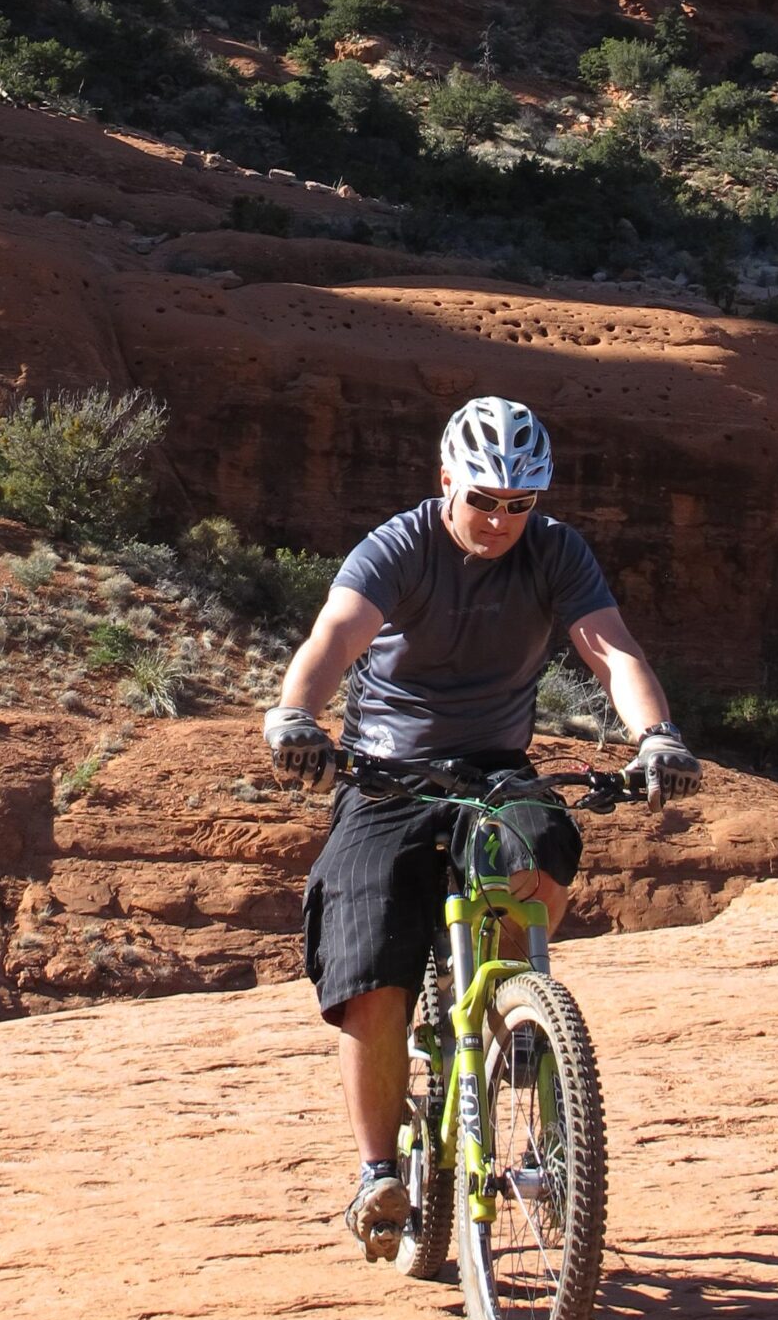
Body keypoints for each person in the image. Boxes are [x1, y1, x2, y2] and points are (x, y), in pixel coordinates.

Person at [261, 394, 700, 1259]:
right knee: (370, 957)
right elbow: (336, 635)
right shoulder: (400, 545)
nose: (500, 521)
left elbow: (610, 651)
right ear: (446, 482)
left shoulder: (556, 552)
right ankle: (379, 1172)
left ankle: (513, 1009)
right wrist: (295, 714)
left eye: (519, 504)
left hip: (494, 768)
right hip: (386, 773)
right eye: (483, 500)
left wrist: (658, 736)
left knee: (549, 840)